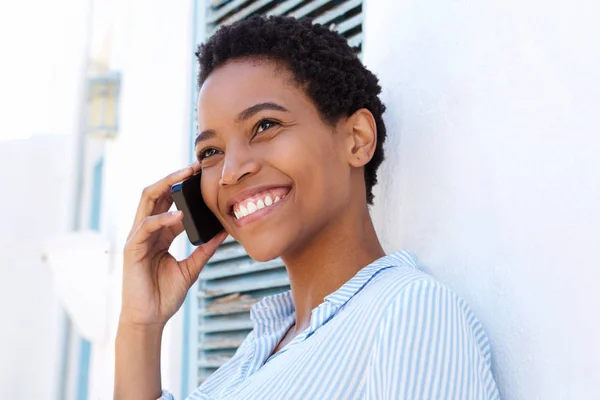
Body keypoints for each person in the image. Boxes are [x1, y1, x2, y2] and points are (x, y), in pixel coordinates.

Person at [114, 15, 500, 400]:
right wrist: (140, 324)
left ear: (356, 138)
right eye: (211, 152)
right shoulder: (256, 353)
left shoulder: (409, 314)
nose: (230, 171)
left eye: (265, 126)